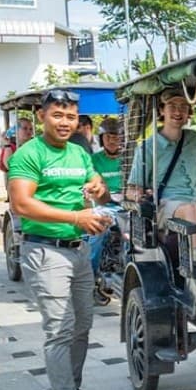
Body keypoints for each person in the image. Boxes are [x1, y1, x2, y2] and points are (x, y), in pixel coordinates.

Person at [7, 89, 113, 390]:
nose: (65, 122)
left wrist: (98, 187)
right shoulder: (29, 154)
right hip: (45, 250)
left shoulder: (79, 153)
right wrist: (75, 218)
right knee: (60, 329)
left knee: (82, 325)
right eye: (58, 115)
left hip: (78, 249)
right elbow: (21, 204)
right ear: (42, 116)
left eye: (70, 116)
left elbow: (96, 186)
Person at [127, 88, 196, 250]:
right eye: (172, 106)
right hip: (167, 205)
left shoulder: (194, 138)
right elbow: (132, 189)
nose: (178, 111)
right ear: (162, 110)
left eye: (183, 106)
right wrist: (140, 195)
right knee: (192, 210)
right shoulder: (148, 148)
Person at [85, 117, 123, 275]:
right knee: (97, 232)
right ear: (101, 139)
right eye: (108, 137)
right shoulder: (94, 160)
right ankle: (91, 275)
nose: (112, 141)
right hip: (104, 205)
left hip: (128, 204)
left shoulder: (130, 158)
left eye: (116, 137)